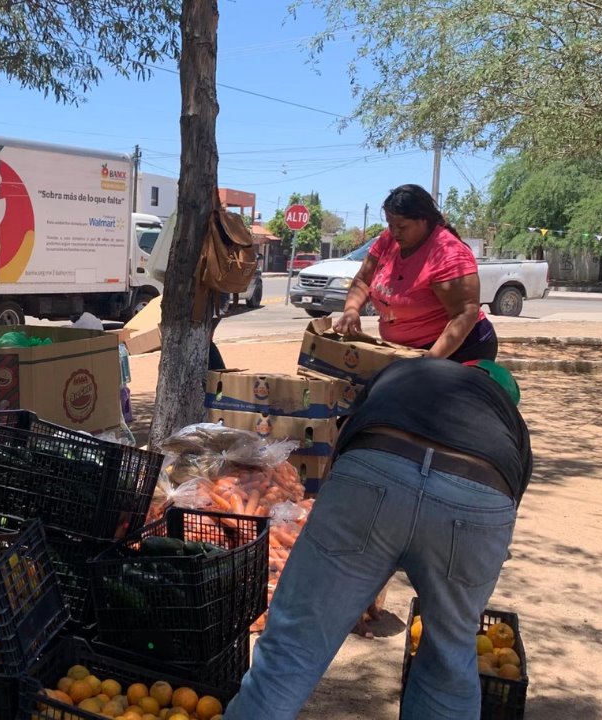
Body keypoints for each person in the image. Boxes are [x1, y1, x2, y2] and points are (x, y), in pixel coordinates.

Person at [225, 357, 531, 720]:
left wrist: (351, 568)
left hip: (374, 466)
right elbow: (506, 509)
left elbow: (342, 450)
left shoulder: (410, 371)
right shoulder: (511, 427)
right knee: (449, 657)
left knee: (289, 652)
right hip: (478, 498)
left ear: (464, 368)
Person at [334, 184, 497, 363]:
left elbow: (465, 312)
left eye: (402, 227)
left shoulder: (447, 253)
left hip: (458, 350)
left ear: (424, 220)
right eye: (390, 224)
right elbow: (363, 279)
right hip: (407, 352)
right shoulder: (388, 239)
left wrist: (430, 361)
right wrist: (351, 310)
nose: (395, 232)